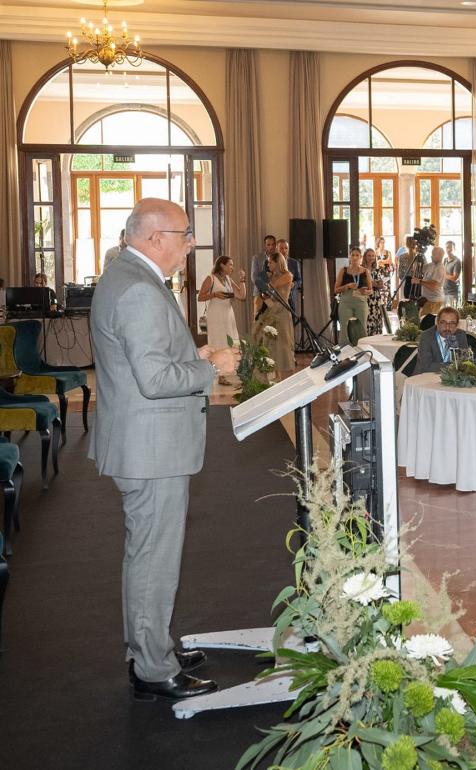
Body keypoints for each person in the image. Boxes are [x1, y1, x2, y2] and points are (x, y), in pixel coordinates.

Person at [90, 197, 239, 701]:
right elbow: (154, 380)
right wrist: (211, 366)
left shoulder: (128, 277)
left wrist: (189, 353)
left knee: (148, 553)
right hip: (150, 448)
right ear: (154, 237)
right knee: (154, 558)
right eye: (184, 233)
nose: (190, 242)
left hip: (144, 443)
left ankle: (151, 647)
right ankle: (154, 668)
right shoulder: (137, 289)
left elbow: (146, 359)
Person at [196, 256, 246, 381]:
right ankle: (219, 374)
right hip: (216, 315)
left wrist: (242, 279)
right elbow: (200, 297)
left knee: (230, 338)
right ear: (222, 265)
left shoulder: (228, 279)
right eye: (230, 265)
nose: (232, 268)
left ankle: (231, 367)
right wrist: (215, 295)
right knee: (218, 340)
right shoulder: (211, 278)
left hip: (228, 313)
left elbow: (242, 295)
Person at [255, 253, 295, 379]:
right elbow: (267, 294)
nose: (268, 265)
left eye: (270, 262)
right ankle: (276, 375)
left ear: (278, 263)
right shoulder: (271, 277)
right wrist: (263, 296)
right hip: (272, 309)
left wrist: (264, 283)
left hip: (282, 311)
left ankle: (288, 376)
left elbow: (273, 286)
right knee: (270, 342)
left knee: (283, 343)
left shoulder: (287, 275)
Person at [414, 306, 470, 374]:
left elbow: (465, 362)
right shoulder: (426, 336)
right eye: (443, 322)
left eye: (452, 323)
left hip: (453, 379)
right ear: (437, 322)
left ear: (457, 325)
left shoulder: (460, 335)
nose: (447, 327)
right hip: (426, 378)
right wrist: (454, 366)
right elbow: (426, 367)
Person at [334, 247, 372, 346]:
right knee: (345, 329)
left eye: (357, 255)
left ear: (360, 257)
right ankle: (344, 354)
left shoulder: (365, 271)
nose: (355, 257)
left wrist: (365, 292)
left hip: (360, 302)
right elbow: (336, 290)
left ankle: (362, 353)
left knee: (361, 328)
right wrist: (347, 286)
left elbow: (371, 290)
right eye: (353, 255)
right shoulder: (344, 270)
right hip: (346, 302)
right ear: (349, 257)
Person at [363, 248, 390, 336]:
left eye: (373, 256)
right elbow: (362, 284)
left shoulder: (377, 270)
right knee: (367, 319)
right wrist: (374, 284)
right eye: (369, 255)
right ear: (365, 257)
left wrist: (372, 283)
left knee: (377, 319)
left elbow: (381, 285)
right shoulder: (361, 269)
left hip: (376, 297)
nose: (371, 258)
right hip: (366, 297)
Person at [251, 234, 277, 316]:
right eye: (268, 245)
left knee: (272, 321)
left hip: (274, 294)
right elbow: (254, 276)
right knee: (258, 319)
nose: (271, 247)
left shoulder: (279, 258)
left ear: (276, 245)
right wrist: (264, 288)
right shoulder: (257, 257)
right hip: (259, 293)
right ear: (265, 246)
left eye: (273, 244)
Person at [418, 246, 447, 319]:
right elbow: (420, 269)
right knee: (422, 319)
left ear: (440, 256)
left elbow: (433, 287)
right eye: (432, 253)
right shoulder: (431, 265)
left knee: (427, 323)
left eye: (434, 254)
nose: (431, 255)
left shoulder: (440, 269)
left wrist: (420, 281)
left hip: (434, 302)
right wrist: (419, 258)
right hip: (427, 300)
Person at [275, 238, 302, 308]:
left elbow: (299, 280)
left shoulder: (294, 263)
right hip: (275, 299)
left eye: (286, 248)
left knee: (292, 319)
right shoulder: (271, 263)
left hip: (290, 298)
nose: (284, 251)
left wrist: (294, 284)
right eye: (281, 248)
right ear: (276, 249)